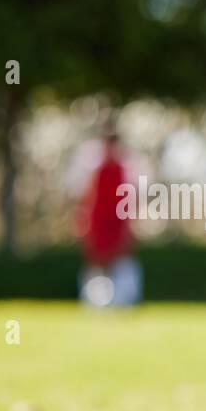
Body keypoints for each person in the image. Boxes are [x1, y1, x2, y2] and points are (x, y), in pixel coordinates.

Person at [74, 118, 142, 308]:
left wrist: (130, 224)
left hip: (118, 219)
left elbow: (130, 197)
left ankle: (125, 299)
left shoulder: (126, 167)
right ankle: (94, 301)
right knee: (97, 261)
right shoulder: (93, 167)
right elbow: (86, 197)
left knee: (121, 260)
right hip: (99, 219)